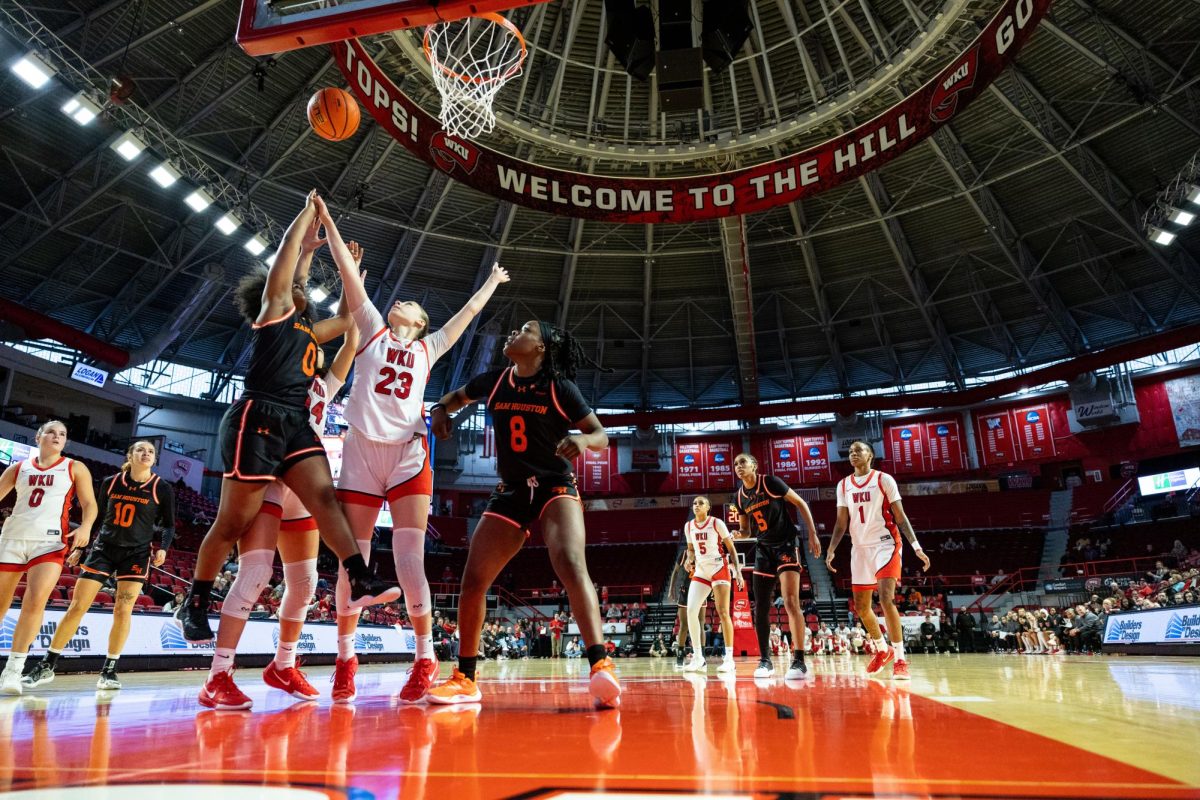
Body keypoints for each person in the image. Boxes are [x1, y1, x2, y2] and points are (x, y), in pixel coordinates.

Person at [176, 192, 397, 653]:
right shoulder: (274, 313)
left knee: (323, 496)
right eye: (297, 287)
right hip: (257, 416)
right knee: (233, 519)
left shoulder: (308, 331)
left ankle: (359, 578)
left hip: (296, 421)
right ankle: (195, 600)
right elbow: (284, 268)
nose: (302, 289)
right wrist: (308, 216)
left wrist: (346, 274)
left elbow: (346, 321)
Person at [317, 199, 510, 703]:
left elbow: (467, 315)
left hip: (406, 455)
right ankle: (344, 660)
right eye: (396, 298)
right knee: (349, 563)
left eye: (409, 303)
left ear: (420, 323)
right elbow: (345, 270)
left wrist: (492, 282)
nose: (397, 300)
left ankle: (425, 658)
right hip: (359, 454)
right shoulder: (371, 329)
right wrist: (326, 218)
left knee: (408, 561)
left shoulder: (429, 347)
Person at [426, 320, 620, 708]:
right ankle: (466, 676)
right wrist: (438, 410)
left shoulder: (559, 388)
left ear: (542, 348)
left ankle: (601, 665)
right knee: (474, 580)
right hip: (511, 490)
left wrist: (583, 440)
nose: (516, 331)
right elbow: (454, 397)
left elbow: (601, 434)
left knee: (569, 560)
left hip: (554, 486)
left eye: (527, 329)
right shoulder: (495, 381)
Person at [195, 277, 359, 710]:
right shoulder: (278, 361)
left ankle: (283, 665)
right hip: (269, 478)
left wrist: (351, 281)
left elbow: (351, 331)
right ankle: (217, 675)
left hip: (302, 487)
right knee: (255, 576)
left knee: (304, 584)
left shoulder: (326, 384)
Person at [23, 440, 175, 691]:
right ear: (130, 454)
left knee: (122, 610)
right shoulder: (110, 482)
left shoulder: (162, 487)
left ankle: (109, 670)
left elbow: (169, 524)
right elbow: (95, 516)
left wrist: (163, 547)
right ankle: (48, 664)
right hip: (104, 549)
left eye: (151, 451)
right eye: (141, 449)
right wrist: (82, 546)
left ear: (154, 459)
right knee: (77, 606)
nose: (146, 454)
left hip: (136, 554)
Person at [0, 420, 98, 695]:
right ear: (39, 437)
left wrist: (87, 527)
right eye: (51, 432)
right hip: (12, 539)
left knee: (35, 600)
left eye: (62, 434)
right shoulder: (18, 468)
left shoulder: (74, 467)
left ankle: (13, 669)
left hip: (50, 542)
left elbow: (90, 504)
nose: (57, 436)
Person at [825, 441, 929, 681]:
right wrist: (831, 550)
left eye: (858, 450)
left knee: (885, 598)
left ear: (870, 455)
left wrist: (917, 547)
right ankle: (883, 649)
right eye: (850, 451)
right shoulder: (843, 485)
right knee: (861, 607)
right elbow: (841, 523)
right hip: (859, 548)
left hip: (886, 544)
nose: (853, 454)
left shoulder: (884, 480)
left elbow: (900, 517)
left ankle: (901, 658)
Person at [731, 452, 821, 680]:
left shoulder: (770, 481)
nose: (738, 466)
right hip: (763, 549)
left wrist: (812, 533)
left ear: (754, 465)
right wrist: (736, 534)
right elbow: (747, 530)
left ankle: (799, 660)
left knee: (791, 601)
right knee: (760, 605)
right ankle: (765, 661)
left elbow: (800, 502)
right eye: (735, 464)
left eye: (743, 462)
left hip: (786, 544)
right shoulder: (740, 497)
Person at [682, 496, 745, 673]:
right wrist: (689, 559)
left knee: (723, 612)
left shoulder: (717, 523)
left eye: (700, 503)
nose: (696, 505)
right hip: (701, 569)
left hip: (719, 566)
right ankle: (698, 658)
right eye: (694, 503)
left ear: (708, 507)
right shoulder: (688, 526)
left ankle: (729, 659)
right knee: (691, 611)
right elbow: (691, 550)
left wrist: (738, 572)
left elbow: (731, 548)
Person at [667, 550, 693, 668]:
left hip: (700, 588)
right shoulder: (683, 554)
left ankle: (700, 655)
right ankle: (680, 655)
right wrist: (671, 589)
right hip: (685, 590)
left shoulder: (703, 551)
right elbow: (675, 571)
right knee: (684, 624)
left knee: (699, 622)